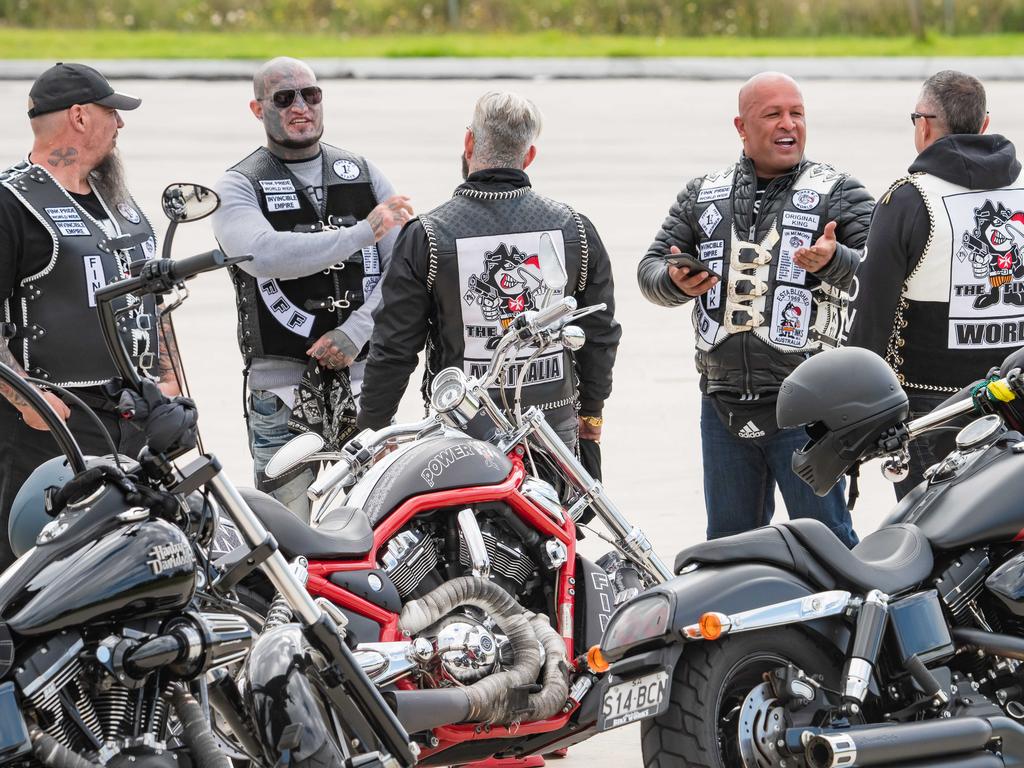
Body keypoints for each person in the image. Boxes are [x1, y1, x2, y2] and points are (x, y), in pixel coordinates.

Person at [637, 72, 874, 547]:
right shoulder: (702, 193)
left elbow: (879, 273)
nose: (789, 124)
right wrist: (675, 281)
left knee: (827, 547)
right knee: (728, 550)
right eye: (773, 114)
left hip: (809, 410)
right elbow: (650, 270)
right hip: (721, 405)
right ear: (741, 126)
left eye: (797, 113)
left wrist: (836, 262)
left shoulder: (840, 192)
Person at [357, 91, 620, 461]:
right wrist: (591, 412)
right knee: (558, 519)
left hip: (464, 426)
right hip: (552, 426)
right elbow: (599, 331)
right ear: (529, 156)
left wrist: (374, 431)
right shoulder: (575, 228)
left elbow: (394, 349)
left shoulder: (428, 235)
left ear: (469, 142)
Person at [213, 57, 412, 522]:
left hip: (366, 387)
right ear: (257, 108)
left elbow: (402, 270)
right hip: (280, 392)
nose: (300, 106)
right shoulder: (238, 184)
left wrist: (358, 331)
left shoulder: (362, 171)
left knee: (377, 523)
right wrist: (362, 233)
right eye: (284, 98)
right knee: (291, 531)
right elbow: (262, 254)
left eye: (311, 94)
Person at [0, 62, 181, 569]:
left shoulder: (116, 202)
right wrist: (26, 397)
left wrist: (169, 387)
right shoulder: (11, 202)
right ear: (79, 117)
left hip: (132, 417)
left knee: (130, 563)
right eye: (111, 113)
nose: (119, 125)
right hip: (47, 429)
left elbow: (152, 302)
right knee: (33, 571)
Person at [847, 70, 1022, 499]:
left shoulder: (909, 198)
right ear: (983, 124)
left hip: (934, 412)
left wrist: (851, 413)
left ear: (923, 125)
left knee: (930, 543)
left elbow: (871, 315)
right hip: (1018, 392)